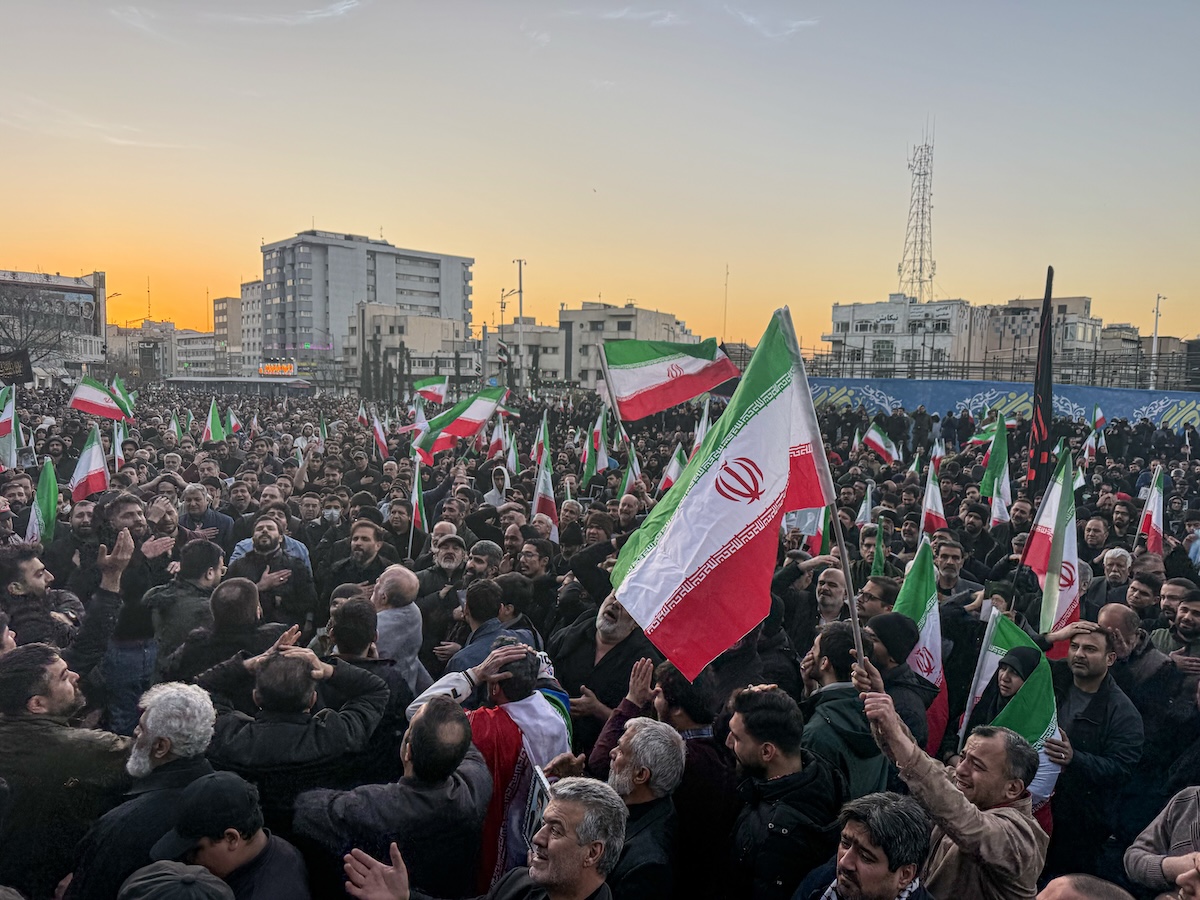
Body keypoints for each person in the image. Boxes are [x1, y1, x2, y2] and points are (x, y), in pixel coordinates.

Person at [0, 532, 137, 898]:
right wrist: (110, 583)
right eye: (38, 574)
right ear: (36, 704)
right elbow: (83, 654)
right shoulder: (72, 747)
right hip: (41, 871)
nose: (49, 578)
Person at [407, 639, 571, 889]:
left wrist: (473, 675)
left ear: (494, 687)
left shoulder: (484, 727)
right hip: (537, 847)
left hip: (488, 848)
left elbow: (417, 711)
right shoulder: (556, 714)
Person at [292, 696, 492, 898]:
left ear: (408, 751)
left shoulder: (369, 805)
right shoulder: (477, 783)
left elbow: (305, 809)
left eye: (410, 728)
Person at [195, 627, 389, 833]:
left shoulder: (227, 738)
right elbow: (375, 690)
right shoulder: (336, 737)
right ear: (313, 700)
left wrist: (249, 664)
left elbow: (202, 688)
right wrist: (329, 669)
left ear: (256, 698)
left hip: (248, 834)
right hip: (315, 834)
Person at [861, 691, 1049, 900]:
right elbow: (923, 767)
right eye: (964, 757)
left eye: (976, 765)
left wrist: (896, 733)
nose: (960, 770)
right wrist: (883, 711)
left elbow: (964, 819)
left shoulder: (1021, 839)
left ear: (1012, 788)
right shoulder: (966, 790)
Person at [341, 776, 627, 900]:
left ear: (592, 853)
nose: (537, 839)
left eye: (556, 830)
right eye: (544, 825)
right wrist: (405, 896)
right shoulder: (520, 882)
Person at [66, 683, 217, 900]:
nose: (135, 733)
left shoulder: (122, 825)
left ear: (161, 747)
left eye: (142, 727)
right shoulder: (219, 795)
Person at [726, 685, 848, 900]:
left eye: (736, 738)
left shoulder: (775, 835)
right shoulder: (820, 772)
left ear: (766, 751)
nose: (728, 742)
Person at [1045, 628, 1145, 878]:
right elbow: (1019, 652)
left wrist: (1074, 758)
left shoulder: (1123, 713)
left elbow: (1121, 769)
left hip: (1078, 823)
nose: (1079, 654)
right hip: (1037, 805)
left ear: (1110, 659)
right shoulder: (1054, 679)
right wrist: (1053, 637)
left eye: (1090, 649)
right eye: (1075, 646)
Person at [149, 771, 311, 899]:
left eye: (195, 850)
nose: (187, 861)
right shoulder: (280, 849)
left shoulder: (264, 893)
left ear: (232, 838)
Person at [548, 594, 662, 754]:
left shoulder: (646, 665)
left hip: (601, 759)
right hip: (552, 744)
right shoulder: (568, 637)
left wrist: (597, 709)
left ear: (636, 622)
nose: (615, 604)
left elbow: (643, 730)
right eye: (613, 596)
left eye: (625, 603)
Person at [800, 622, 889, 800]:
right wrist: (809, 693)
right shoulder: (881, 718)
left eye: (814, 649)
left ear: (824, 663)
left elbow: (810, 799)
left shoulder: (815, 733)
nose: (809, 654)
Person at [604, 718, 685, 900]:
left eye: (621, 751)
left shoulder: (647, 865)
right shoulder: (641, 803)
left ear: (640, 775)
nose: (612, 753)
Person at [802, 792, 935, 900]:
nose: (844, 862)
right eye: (845, 844)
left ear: (905, 875)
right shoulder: (821, 880)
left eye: (865, 856)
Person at [145, 539, 224, 677]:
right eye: (221, 570)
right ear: (210, 573)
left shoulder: (153, 594)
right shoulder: (210, 610)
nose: (221, 575)